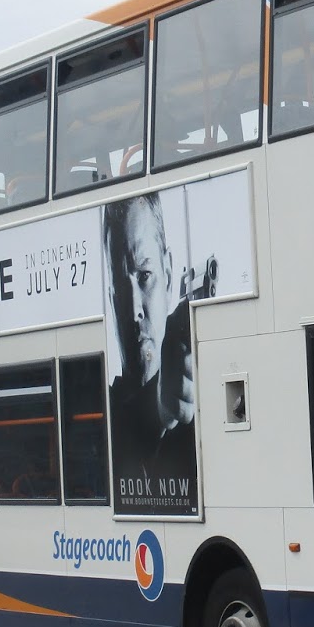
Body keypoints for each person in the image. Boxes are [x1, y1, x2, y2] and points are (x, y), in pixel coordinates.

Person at [103, 192, 198, 514]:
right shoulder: (102, 414)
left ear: (169, 275)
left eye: (144, 276)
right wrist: (156, 409)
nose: (134, 311)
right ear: (111, 297)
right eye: (121, 284)